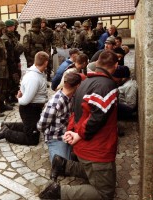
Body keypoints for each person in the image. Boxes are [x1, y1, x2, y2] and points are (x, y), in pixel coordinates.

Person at [39, 50, 119, 200]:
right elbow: (96, 117)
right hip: (96, 148)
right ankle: (59, 192)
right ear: (115, 65)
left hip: (84, 145)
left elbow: (76, 113)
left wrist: (72, 131)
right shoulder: (107, 86)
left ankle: (63, 165)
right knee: (105, 193)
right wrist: (79, 134)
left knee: (103, 174)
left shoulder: (84, 82)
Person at [0, 51, 49, 146]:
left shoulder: (37, 73)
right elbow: (25, 101)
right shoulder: (33, 78)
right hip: (30, 109)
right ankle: (6, 133)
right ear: (46, 62)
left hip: (33, 109)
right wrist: (19, 98)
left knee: (31, 127)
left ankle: (8, 125)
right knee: (32, 139)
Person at [37, 73, 82, 161]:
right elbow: (41, 125)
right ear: (78, 86)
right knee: (60, 165)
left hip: (68, 134)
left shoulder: (72, 97)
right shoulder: (56, 102)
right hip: (56, 137)